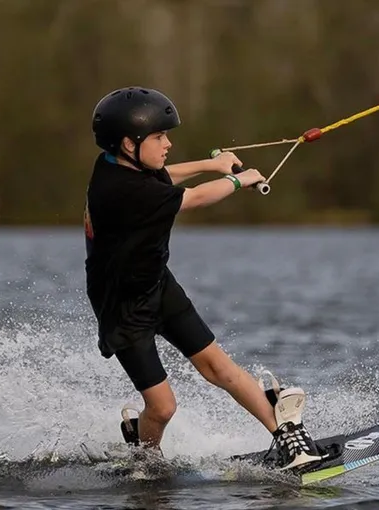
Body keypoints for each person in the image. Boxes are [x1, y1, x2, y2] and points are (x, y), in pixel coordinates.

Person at [83, 86, 323, 471]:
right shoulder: (122, 193)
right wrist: (237, 182)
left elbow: (160, 175)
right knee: (162, 408)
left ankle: (285, 436)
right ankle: (144, 455)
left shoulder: (113, 163)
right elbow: (191, 198)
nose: (168, 144)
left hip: (158, 285)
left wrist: (211, 164)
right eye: (159, 137)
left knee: (220, 368)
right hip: (123, 308)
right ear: (129, 143)